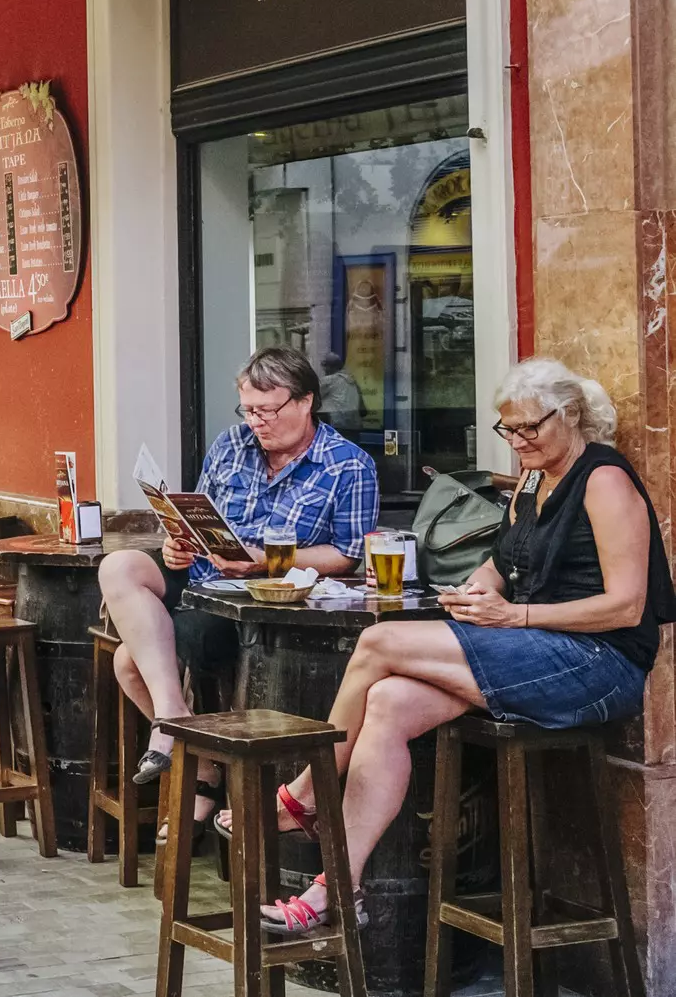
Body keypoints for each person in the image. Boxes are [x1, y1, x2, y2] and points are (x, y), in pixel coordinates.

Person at [252, 358, 676, 934]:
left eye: (531, 427)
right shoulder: (533, 478)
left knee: (377, 642)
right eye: (509, 428)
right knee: (389, 702)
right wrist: (469, 594)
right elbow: (503, 562)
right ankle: (338, 888)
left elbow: (629, 605)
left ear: (571, 415)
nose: (518, 440)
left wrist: (514, 614)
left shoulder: (604, 479)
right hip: (531, 646)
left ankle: (302, 796)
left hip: (599, 663)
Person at [96, 346, 376, 837]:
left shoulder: (348, 465)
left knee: (126, 662)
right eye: (248, 410)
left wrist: (266, 559)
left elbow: (346, 555)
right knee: (120, 565)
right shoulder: (230, 446)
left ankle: (201, 770)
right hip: (206, 577)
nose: (257, 423)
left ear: (305, 402)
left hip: (265, 602)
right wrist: (177, 546)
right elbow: (197, 520)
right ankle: (172, 719)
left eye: (267, 411)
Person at [319, 353, 364, 433]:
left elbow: (312, 399)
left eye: (326, 367)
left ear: (332, 367)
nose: (325, 370)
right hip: (354, 427)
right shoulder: (353, 381)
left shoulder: (329, 380)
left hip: (337, 427)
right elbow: (363, 411)